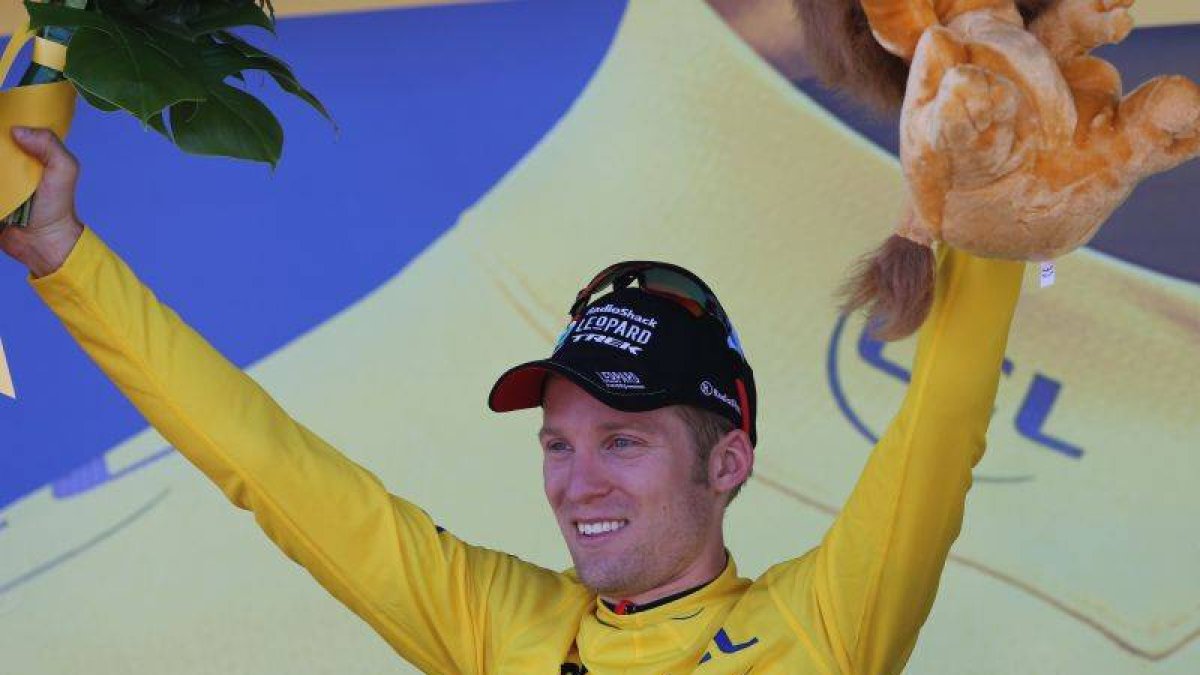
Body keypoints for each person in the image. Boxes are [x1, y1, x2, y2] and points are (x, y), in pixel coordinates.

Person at [0, 124, 1023, 673]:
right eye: (558, 444)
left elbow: (943, 422)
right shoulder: (502, 626)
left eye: (623, 441)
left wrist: (1003, 180)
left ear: (727, 462)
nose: (578, 483)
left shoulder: (823, 628)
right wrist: (65, 260)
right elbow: (267, 465)